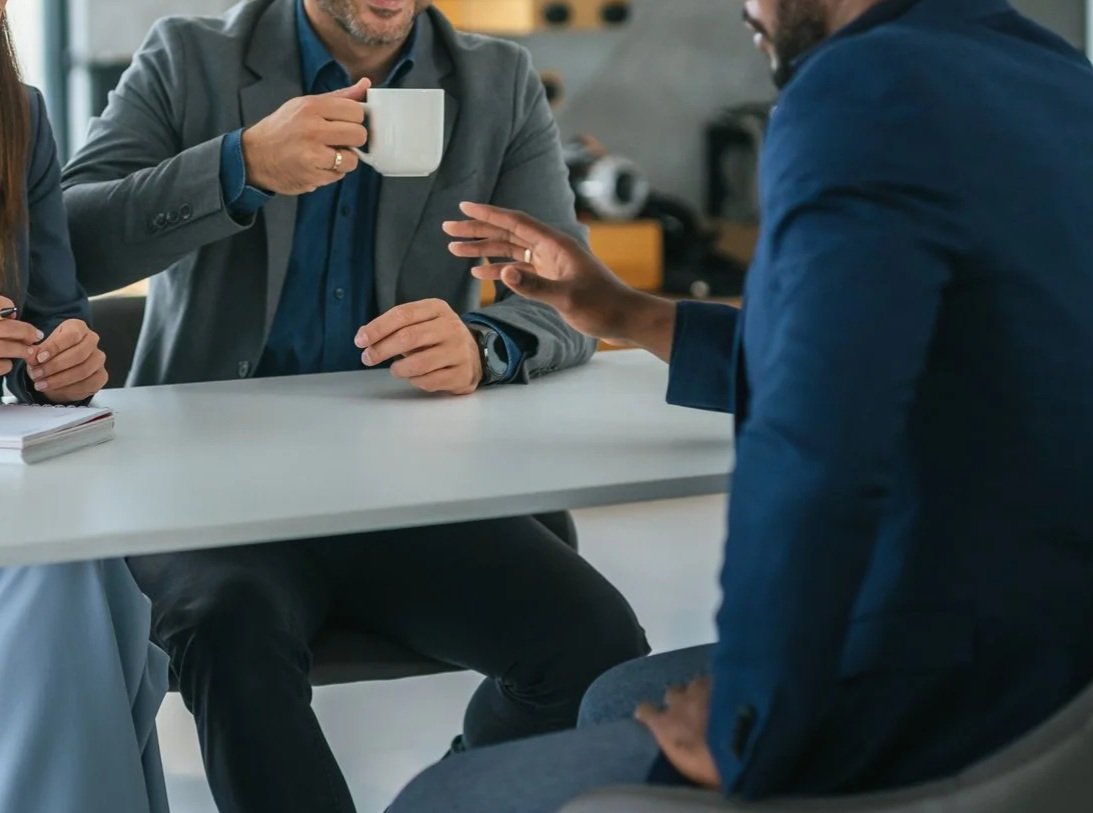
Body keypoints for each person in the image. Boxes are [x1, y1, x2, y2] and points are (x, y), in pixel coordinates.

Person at [388, 0, 1093, 809]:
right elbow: (887, 355)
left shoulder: (856, 87)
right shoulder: (1050, 71)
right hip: (1062, 644)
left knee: (439, 799)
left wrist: (751, 715)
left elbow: (818, 445)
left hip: (967, 672)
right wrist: (627, 313)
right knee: (617, 694)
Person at [60, 2, 649, 811]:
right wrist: (238, 166)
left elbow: (563, 297)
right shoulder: (190, 58)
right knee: (230, 628)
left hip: (404, 490)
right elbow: (69, 244)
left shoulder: (494, 81)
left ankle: (447, 797)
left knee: (595, 644)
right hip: (208, 494)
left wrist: (482, 343)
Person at [0, 9, 169, 813]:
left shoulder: (18, 116)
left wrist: (62, 366)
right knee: (66, 590)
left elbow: (55, 312)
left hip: (12, 482)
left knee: (84, 567)